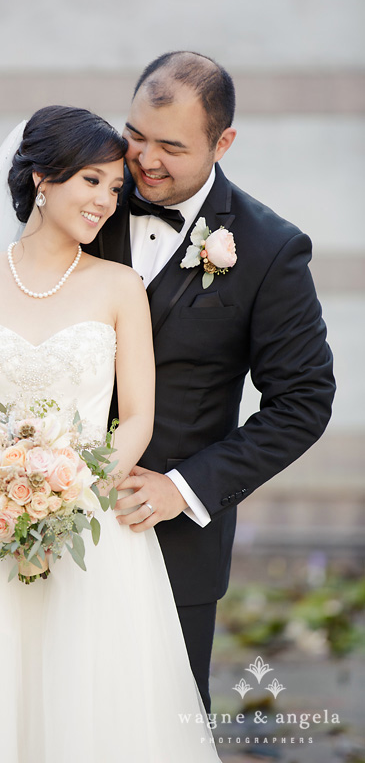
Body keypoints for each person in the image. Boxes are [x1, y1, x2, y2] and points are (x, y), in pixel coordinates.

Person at [0, 106, 222, 762]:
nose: (105, 200)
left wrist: (71, 493)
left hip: (90, 534)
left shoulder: (119, 287)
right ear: (43, 177)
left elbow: (138, 419)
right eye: (91, 181)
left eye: (114, 188)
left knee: (92, 711)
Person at [83, 51, 336, 713]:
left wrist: (183, 489)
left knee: (156, 724)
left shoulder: (268, 248)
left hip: (170, 541)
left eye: (171, 146)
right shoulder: (82, 202)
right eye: (135, 135)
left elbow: (302, 403)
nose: (144, 160)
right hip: (49, 521)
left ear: (223, 142)